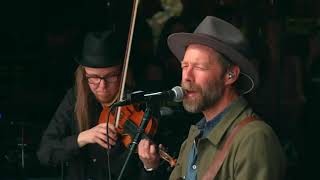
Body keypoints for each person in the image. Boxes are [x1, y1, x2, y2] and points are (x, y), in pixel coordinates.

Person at [138, 16, 286, 180]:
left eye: (199, 67)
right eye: (184, 66)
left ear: (230, 75)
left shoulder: (254, 138)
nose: (187, 77)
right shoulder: (194, 137)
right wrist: (150, 168)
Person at [37, 30, 161, 180]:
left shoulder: (141, 105)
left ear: (122, 73)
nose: (102, 85)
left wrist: (149, 166)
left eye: (110, 77)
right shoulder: (75, 98)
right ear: (84, 74)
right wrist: (82, 138)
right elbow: (45, 153)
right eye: (94, 77)